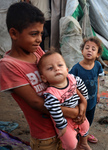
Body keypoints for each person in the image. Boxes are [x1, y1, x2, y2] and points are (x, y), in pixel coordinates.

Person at [0, 2, 86, 150]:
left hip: (67, 126)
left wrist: (83, 101)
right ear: (14, 33)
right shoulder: (8, 66)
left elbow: (64, 81)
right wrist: (75, 111)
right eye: (34, 34)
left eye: (41, 33)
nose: (39, 39)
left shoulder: (38, 52)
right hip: (45, 136)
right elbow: (37, 104)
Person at [37, 51, 92, 150]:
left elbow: (81, 86)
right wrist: (62, 126)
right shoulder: (51, 94)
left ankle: (83, 143)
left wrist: (85, 99)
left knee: (86, 126)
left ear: (66, 70)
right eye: (50, 68)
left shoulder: (72, 79)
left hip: (78, 110)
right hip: (64, 120)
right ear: (44, 78)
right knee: (70, 143)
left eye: (60, 65)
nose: (57, 69)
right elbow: (55, 111)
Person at [69, 37, 104, 144]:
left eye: (93, 49)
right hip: (79, 103)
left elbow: (97, 78)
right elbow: (70, 85)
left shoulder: (97, 65)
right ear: (82, 51)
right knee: (78, 120)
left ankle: (85, 134)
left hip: (92, 100)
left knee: (89, 120)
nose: (89, 50)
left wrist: (98, 93)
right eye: (87, 48)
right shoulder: (76, 68)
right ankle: (77, 138)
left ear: (97, 54)